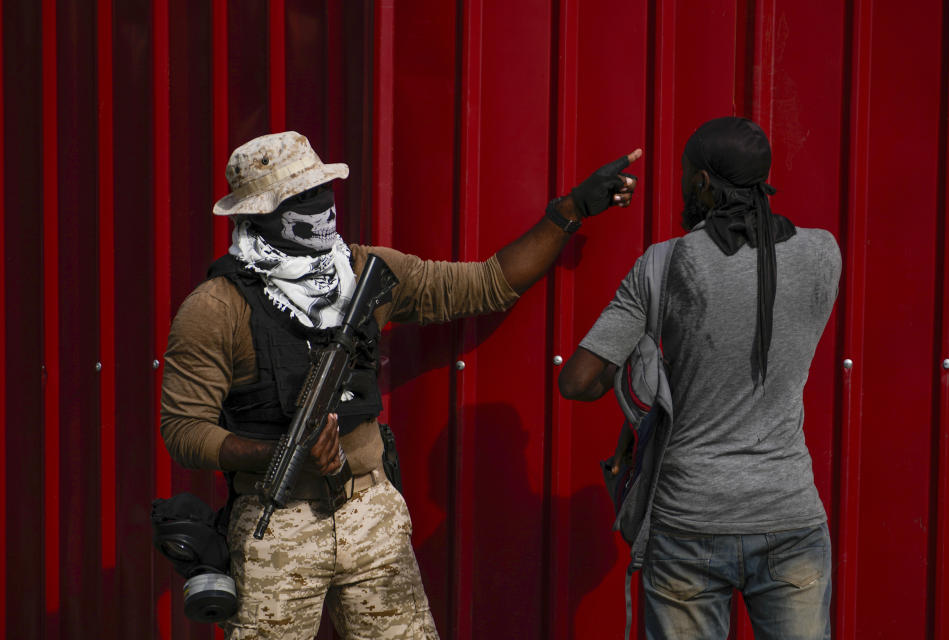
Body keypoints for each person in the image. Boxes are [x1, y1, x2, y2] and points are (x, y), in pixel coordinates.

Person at [160, 130, 641, 639]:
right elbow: (183, 430)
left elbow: (488, 284)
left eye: (320, 191)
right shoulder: (216, 307)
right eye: (298, 200)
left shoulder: (366, 272)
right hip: (275, 525)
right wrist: (280, 452)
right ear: (257, 213)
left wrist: (570, 210)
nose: (320, 206)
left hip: (371, 515)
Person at [558, 117, 839, 640]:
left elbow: (577, 381)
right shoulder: (824, 253)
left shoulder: (665, 264)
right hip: (789, 516)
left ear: (702, 184)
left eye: (688, 176)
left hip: (689, 522)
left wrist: (640, 363)